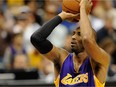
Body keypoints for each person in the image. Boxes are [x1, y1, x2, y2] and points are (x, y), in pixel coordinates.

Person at [30, 0, 110, 87]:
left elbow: (87, 39)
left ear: (93, 40)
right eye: (73, 33)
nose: (73, 37)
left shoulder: (99, 60)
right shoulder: (62, 58)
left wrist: (82, 8)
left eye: (79, 34)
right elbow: (37, 38)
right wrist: (62, 15)